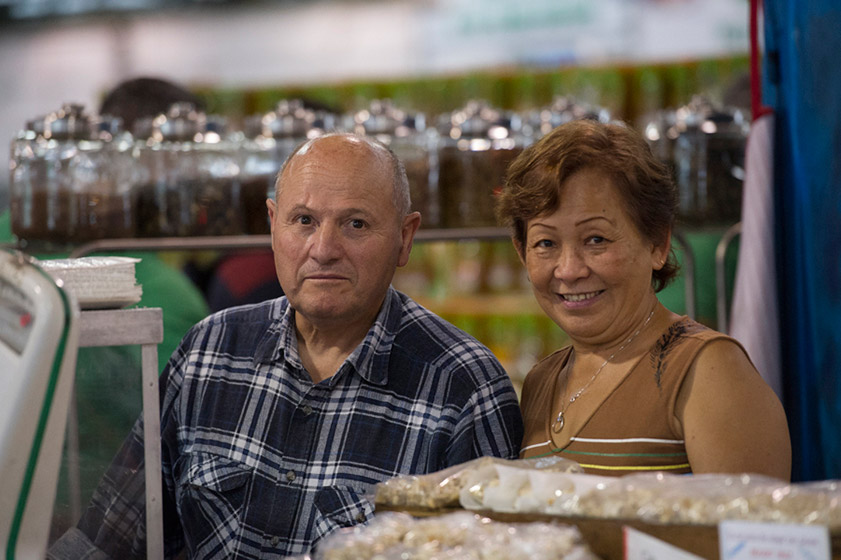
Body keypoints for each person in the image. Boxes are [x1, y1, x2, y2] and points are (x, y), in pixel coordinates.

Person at [49, 133, 524, 559]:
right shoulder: (208, 352)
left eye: (356, 224)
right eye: (304, 220)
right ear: (274, 225)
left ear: (405, 238)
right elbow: (107, 539)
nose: (324, 248)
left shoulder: (465, 388)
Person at [497, 119, 791, 479]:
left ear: (658, 244)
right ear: (521, 252)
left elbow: (751, 516)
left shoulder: (709, 371)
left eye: (596, 240)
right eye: (546, 243)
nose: (569, 270)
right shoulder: (541, 381)